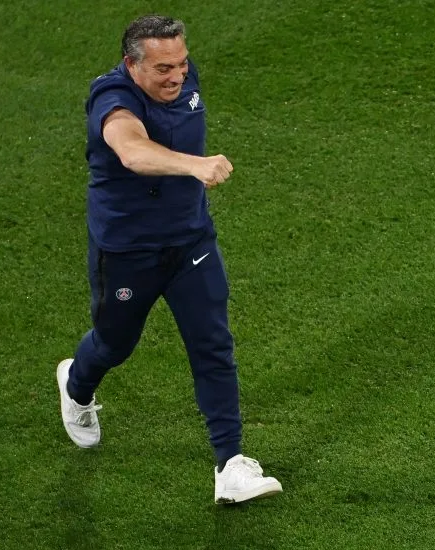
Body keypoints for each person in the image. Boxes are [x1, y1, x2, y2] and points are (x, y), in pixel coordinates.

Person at [56, 14, 281, 505]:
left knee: (213, 346)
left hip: (191, 243)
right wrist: (194, 166)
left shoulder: (180, 73)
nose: (177, 76)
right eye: (162, 69)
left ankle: (231, 465)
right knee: (115, 344)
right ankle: (76, 385)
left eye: (181, 64)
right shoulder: (112, 101)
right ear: (130, 65)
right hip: (128, 253)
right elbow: (132, 151)